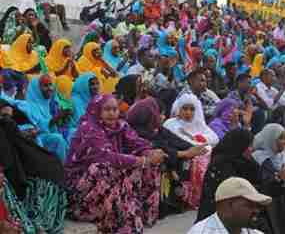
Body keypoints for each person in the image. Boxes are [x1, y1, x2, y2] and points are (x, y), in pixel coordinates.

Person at [65, 94, 167, 233]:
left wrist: (150, 152)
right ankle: (109, 215)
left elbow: (136, 143)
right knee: (105, 167)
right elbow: (106, 156)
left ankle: (141, 214)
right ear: (97, 110)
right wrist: (143, 160)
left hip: (107, 182)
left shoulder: (121, 126)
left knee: (150, 164)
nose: (112, 113)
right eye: (106, 109)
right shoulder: (89, 128)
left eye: (115, 109)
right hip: (82, 190)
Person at [127, 97, 209, 211]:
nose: (163, 117)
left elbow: (175, 140)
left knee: (198, 159)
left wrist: (193, 148)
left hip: (170, 159)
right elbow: (158, 148)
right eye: (160, 113)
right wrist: (184, 153)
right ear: (149, 115)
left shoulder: (156, 129)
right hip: (150, 168)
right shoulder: (135, 133)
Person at [0, 101, 67, 233]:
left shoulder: (8, 107)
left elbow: (22, 125)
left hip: (18, 159)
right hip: (12, 165)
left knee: (50, 163)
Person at [189, 177, 271, 234]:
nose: (256, 210)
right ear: (227, 206)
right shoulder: (201, 232)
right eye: (250, 205)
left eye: (257, 206)